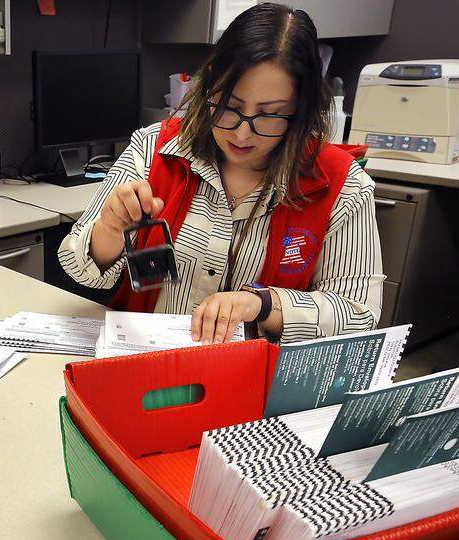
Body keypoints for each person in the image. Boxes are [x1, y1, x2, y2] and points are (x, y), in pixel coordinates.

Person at [59, 3, 383, 344]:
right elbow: (79, 269)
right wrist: (109, 229)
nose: (241, 134)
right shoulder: (153, 148)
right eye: (229, 106)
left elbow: (358, 314)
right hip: (145, 364)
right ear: (208, 84)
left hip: (251, 381)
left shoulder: (343, 185)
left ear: (301, 111)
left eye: (269, 115)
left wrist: (261, 304)